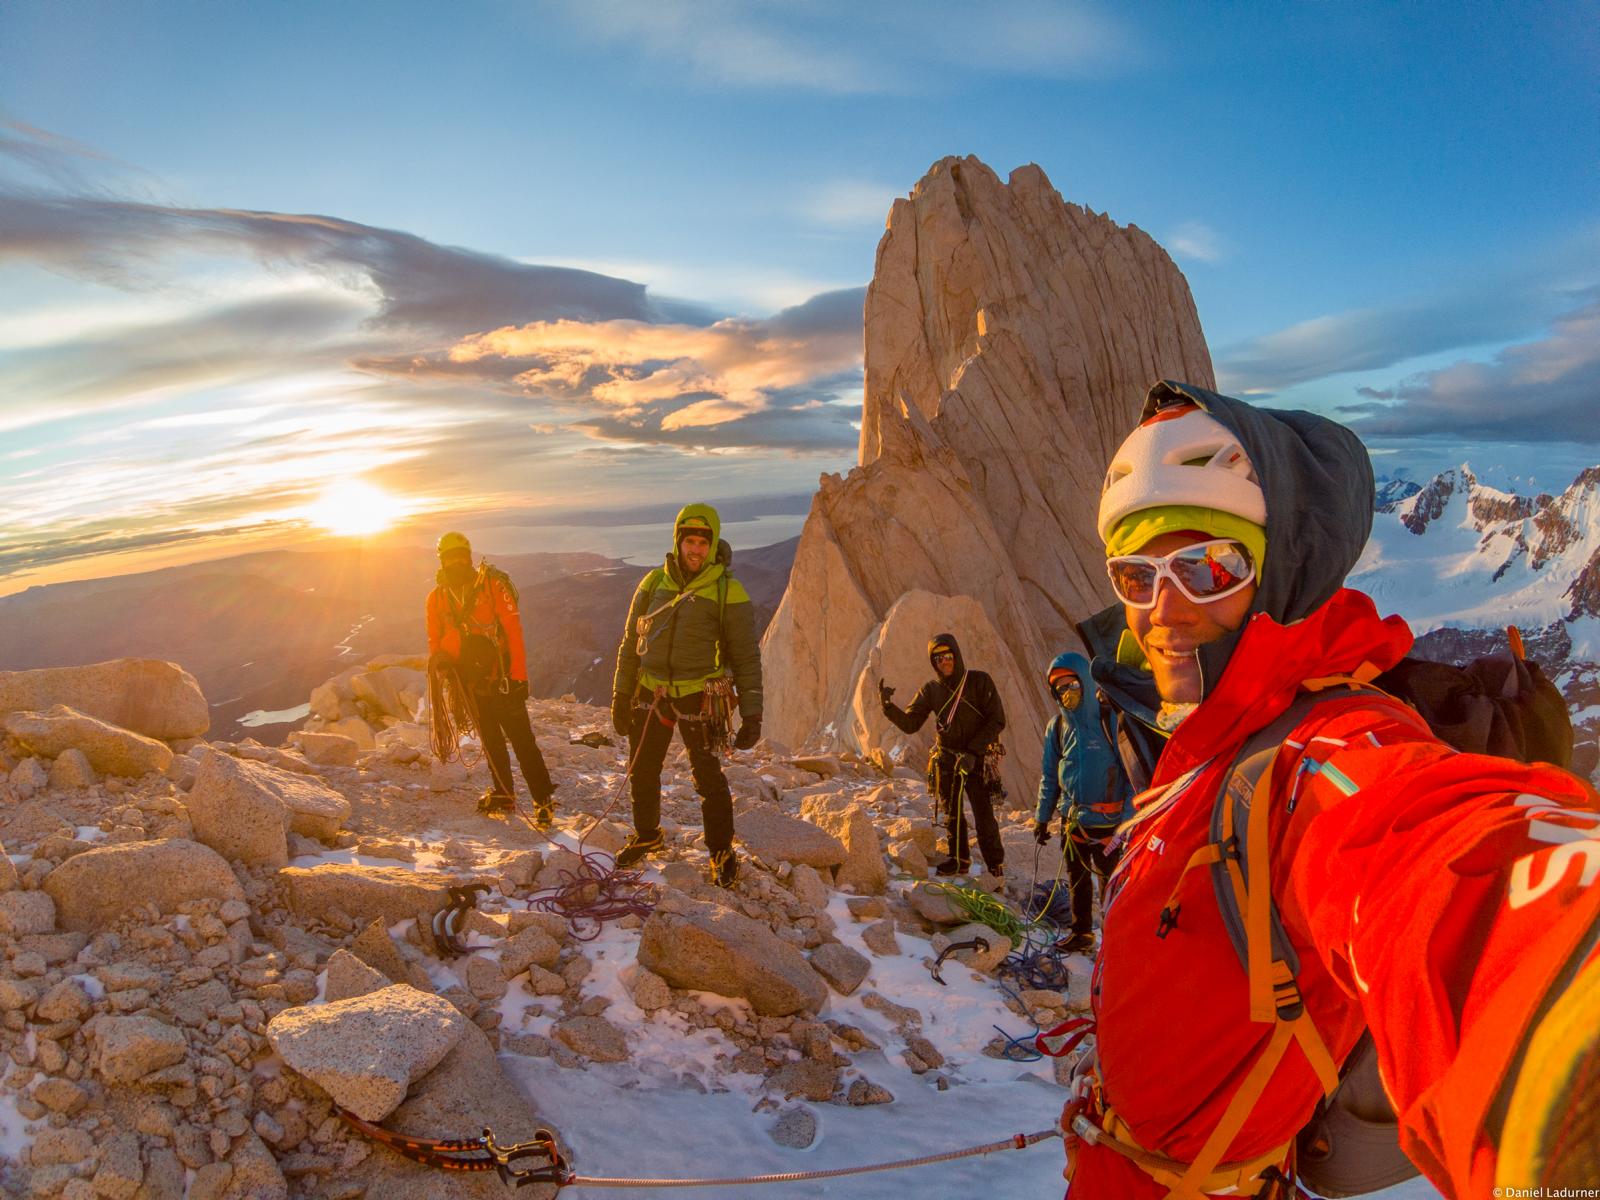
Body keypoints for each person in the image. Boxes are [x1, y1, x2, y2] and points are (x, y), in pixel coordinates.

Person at [1057, 380, 1600, 1198]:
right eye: (1135, 574)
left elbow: (1432, 853)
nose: (1162, 609)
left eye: (1209, 567)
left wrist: (1563, 1033)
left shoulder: (1317, 751)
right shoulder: (1204, 735)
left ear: (1284, 570)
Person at [610, 504, 763, 888]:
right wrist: (621, 693)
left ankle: (720, 850)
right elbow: (630, 643)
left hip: (701, 694)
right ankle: (648, 834)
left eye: (702, 543)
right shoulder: (652, 583)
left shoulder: (727, 589)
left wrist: (752, 713)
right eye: (689, 541)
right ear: (678, 542)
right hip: (652, 689)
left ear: (712, 546)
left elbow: (745, 656)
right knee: (643, 769)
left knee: (707, 775)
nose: (695, 550)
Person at [425, 531, 555, 824]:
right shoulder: (436, 599)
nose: (456, 562)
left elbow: (513, 631)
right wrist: (442, 665)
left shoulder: (491, 586)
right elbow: (435, 639)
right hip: (469, 683)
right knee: (492, 741)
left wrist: (519, 677)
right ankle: (504, 794)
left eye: (460, 557)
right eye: (451, 558)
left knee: (522, 740)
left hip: (503, 679)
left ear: (468, 557)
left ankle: (542, 798)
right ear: (443, 561)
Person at [880, 634, 1006, 878]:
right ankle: (959, 860)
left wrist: (973, 751)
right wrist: (888, 707)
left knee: (983, 815)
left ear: (956, 655)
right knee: (952, 813)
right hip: (947, 758)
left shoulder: (979, 681)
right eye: (938, 658)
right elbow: (911, 723)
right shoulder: (931, 690)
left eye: (948, 656)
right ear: (933, 662)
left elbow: (997, 720)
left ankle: (995, 865)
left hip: (977, 759)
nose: (944, 662)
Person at [1034, 651, 1130, 953]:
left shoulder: (1109, 720)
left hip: (1109, 824)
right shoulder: (1057, 727)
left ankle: (1116, 941)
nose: (1067, 692)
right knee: (1077, 878)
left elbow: (1131, 775)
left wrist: (1128, 824)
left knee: (1111, 884)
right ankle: (1082, 933)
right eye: (1060, 688)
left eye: (1072, 684)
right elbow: (1050, 775)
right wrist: (1042, 817)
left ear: (1085, 682)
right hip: (1073, 820)